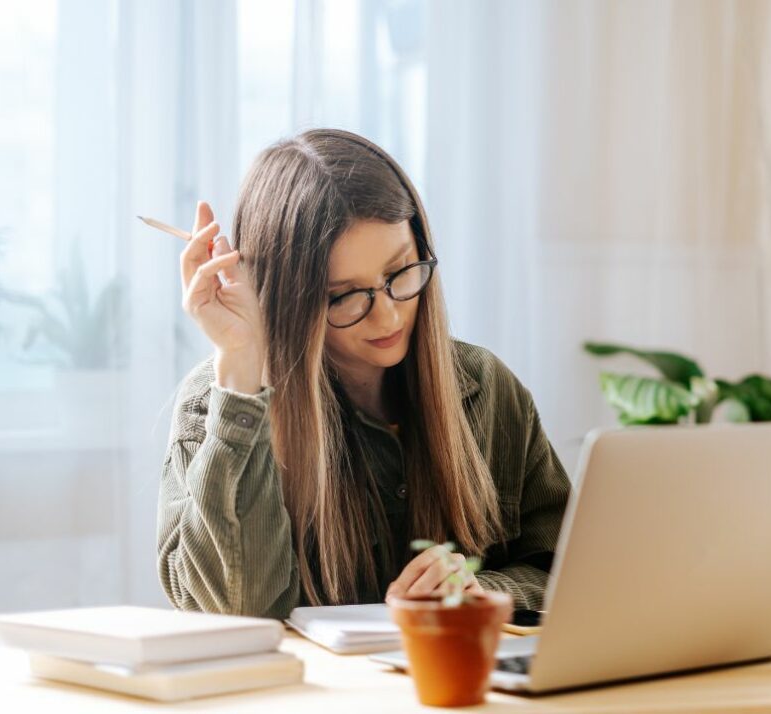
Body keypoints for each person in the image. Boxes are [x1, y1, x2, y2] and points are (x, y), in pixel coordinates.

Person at [157, 128, 570, 619]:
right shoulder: (216, 401)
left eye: (401, 273)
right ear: (288, 299)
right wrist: (241, 362)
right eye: (344, 296)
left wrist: (478, 591)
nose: (388, 317)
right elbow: (240, 611)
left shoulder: (486, 387)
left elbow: (569, 572)